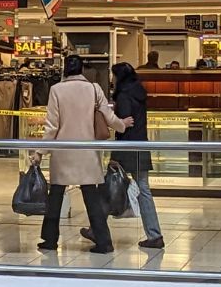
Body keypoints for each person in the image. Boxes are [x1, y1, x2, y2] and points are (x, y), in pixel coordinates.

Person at [32, 53, 119, 253]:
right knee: (92, 198)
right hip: (86, 152)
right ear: (81, 69)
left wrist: (40, 151)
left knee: (55, 197)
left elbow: (52, 126)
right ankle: (104, 241)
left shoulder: (56, 90)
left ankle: (50, 239)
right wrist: (122, 126)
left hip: (63, 152)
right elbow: (108, 115)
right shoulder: (94, 89)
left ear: (65, 69)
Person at [90, 62, 164, 249]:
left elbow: (123, 125)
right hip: (141, 145)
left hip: (126, 147)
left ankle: (95, 229)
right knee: (144, 190)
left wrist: (114, 119)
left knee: (108, 187)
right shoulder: (140, 92)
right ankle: (154, 234)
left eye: (114, 75)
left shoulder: (123, 96)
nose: (112, 79)